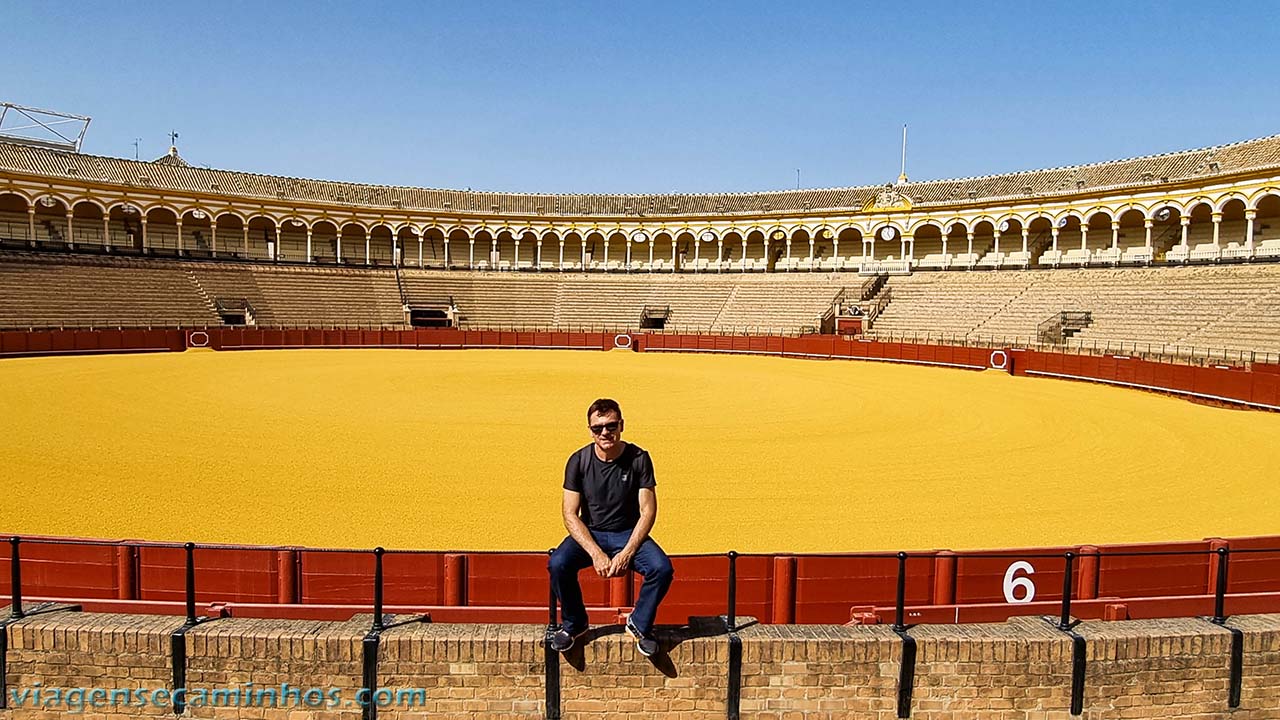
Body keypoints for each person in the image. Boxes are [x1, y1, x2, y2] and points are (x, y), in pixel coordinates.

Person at [548, 398, 673, 657]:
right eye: (598, 428)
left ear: (621, 425)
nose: (605, 432)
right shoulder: (578, 461)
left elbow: (648, 510)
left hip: (627, 532)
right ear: (590, 430)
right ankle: (575, 624)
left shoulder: (639, 458)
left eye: (611, 425)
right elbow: (570, 514)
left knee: (661, 568)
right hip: (591, 532)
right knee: (559, 563)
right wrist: (595, 553)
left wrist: (627, 552)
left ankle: (639, 624)